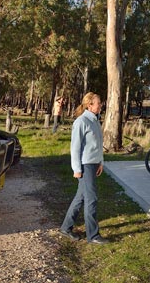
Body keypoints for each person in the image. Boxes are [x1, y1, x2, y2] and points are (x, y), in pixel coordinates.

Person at [59, 92, 109, 244]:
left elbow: (98, 145)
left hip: (94, 164)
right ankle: (93, 235)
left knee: (80, 197)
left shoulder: (95, 121)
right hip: (85, 165)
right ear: (89, 105)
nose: (101, 105)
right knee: (91, 199)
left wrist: (101, 162)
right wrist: (77, 169)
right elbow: (75, 148)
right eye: (98, 103)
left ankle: (66, 228)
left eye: (100, 103)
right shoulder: (81, 122)